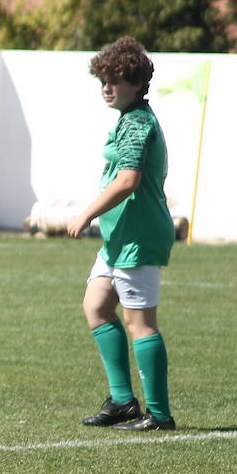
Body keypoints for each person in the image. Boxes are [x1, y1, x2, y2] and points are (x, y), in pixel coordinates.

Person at [66, 36, 178, 431]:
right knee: (96, 307)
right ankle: (122, 401)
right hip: (120, 238)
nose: (107, 88)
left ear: (137, 83)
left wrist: (86, 214)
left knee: (140, 323)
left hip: (138, 237)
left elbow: (128, 180)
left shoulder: (138, 124)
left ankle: (160, 415)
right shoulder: (127, 119)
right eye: (103, 80)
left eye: (115, 80)